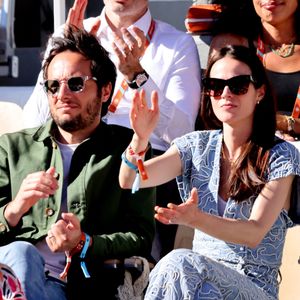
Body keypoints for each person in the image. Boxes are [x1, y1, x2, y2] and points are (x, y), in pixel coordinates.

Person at [23, 0, 201, 261]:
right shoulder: (74, 32)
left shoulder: (177, 44)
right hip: (72, 163)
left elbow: (183, 134)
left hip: (137, 171)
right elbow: (33, 124)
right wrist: (58, 56)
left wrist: (139, 78)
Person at [119, 45, 300, 299]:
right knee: (181, 269)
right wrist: (140, 139)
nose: (226, 94)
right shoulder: (195, 146)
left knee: (178, 262)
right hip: (197, 285)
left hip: (255, 288)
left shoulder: (281, 155)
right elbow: (131, 179)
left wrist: (195, 219)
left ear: (259, 92)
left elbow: (254, 232)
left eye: (238, 85)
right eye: (216, 85)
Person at [0, 26, 155, 300]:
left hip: (79, 285)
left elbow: (140, 236)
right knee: (21, 253)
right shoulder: (12, 148)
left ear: (105, 90)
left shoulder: (129, 148)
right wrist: (13, 210)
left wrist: (85, 243)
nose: (62, 94)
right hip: (14, 271)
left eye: (76, 84)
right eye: (53, 86)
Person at [209, 0, 300, 141]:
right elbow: (214, 112)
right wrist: (278, 124)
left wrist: (288, 124)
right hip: (249, 151)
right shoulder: (229, 45)